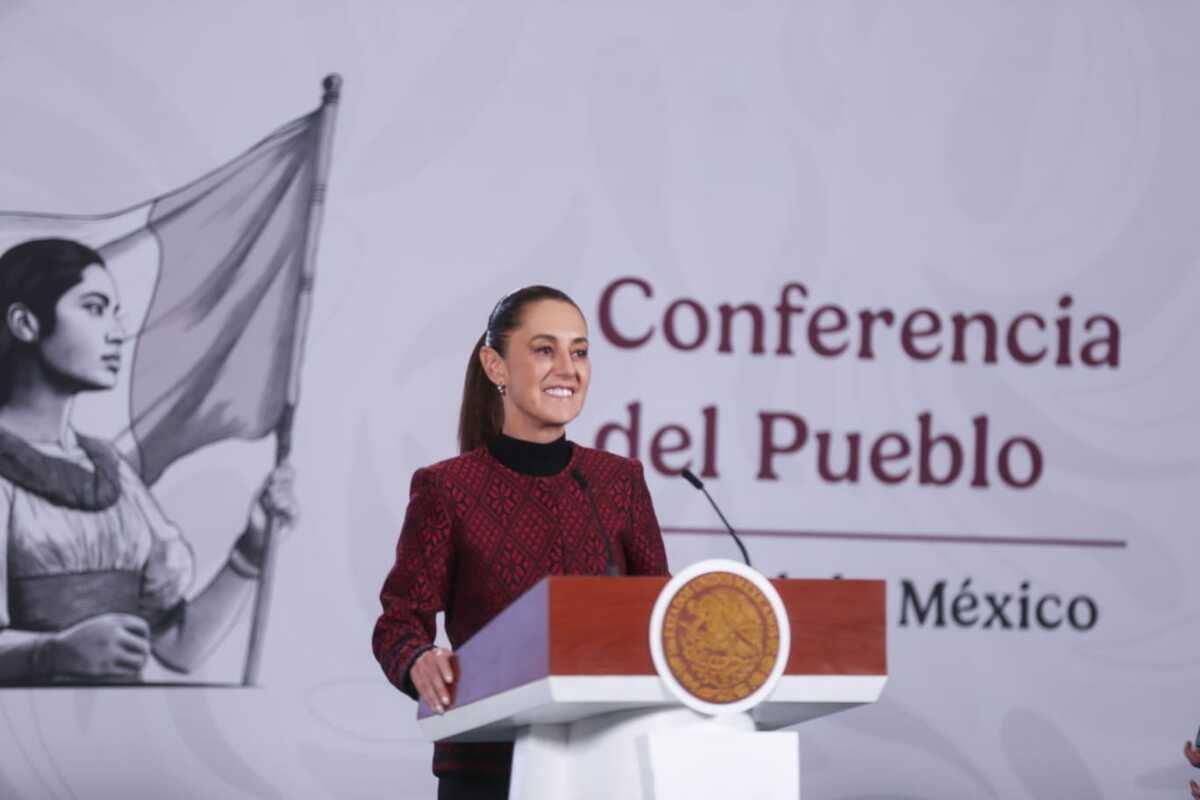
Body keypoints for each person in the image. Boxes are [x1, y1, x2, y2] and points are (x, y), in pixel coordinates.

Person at [372, 285, 670, 800]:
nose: (568, 368)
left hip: (605, 763)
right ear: (495, 367)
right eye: (544, 350)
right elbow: (399, 622)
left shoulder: (617, 482)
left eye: (579, 351)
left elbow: (663, 613)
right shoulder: (447, 488)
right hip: (488, 767)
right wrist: (418, 657)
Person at [0, 238, 297, 684]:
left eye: (114, 311)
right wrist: (52, 654)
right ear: (25, 323)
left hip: (119, 736)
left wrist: (251, 550)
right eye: (95, 308)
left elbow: (179, 648)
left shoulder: (111, 470)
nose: (117, 331)